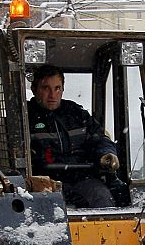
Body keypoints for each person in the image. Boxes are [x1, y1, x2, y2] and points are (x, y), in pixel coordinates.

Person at [27, 65, 120, 208]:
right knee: (47, 209)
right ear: (34, 89)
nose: (52, 95)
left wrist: (106, 154)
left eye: (57, 88)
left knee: (102, 197)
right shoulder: (25, 118)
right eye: (46, 88)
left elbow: (99, 138)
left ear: (63, 89)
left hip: (81, 178)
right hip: (44, 182)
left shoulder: (76, 114)